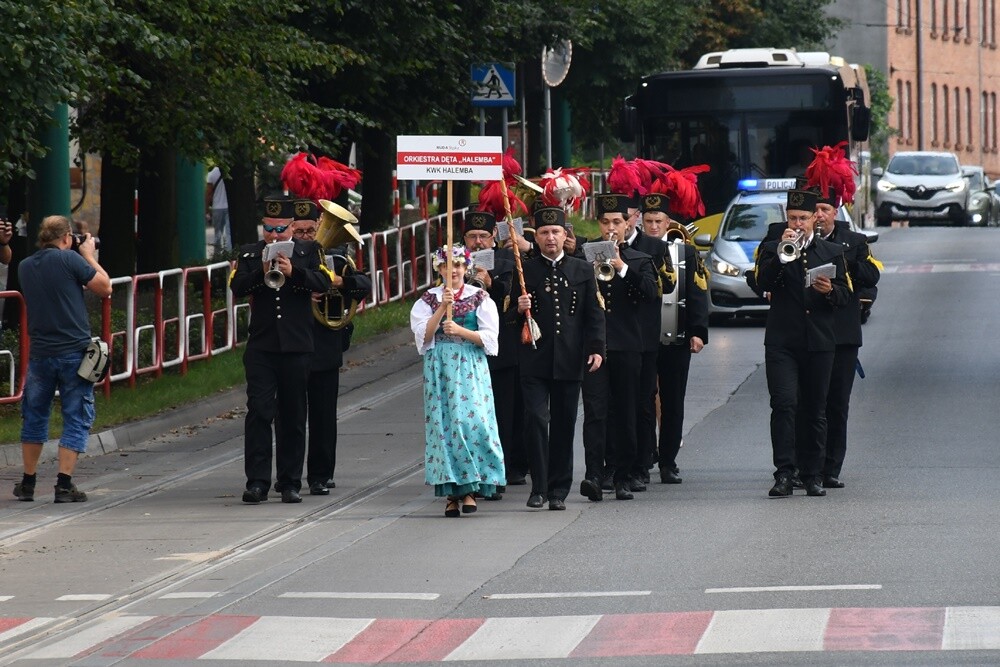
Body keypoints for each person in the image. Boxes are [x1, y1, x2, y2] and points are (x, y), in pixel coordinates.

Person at [230, 195, 332, 504]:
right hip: (262, 347)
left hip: (297, 347)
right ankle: (257, 481)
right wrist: (261, 273)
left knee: (292, 414)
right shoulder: (249, 254)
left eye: (281, 230)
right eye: (269, 230)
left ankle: (289, 482)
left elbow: (323, 283)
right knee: (259, 412)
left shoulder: (309, 251)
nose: (275, 236)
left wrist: (294, 273)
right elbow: (237, 288)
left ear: (291, 228)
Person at [752, 188, 850, 498]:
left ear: (814, 220)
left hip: (819, 342)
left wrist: (829, 291)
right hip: (782, 341)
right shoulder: (771, 248)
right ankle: (784, 473)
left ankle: (812, 474)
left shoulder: (831, 252)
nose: (798, 223)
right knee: (783, 405)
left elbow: (846, 297)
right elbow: (762, 284)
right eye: (793, 218)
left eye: (803, 219)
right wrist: (781, 253)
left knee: (815, 410)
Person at [14, 215, 112, 503]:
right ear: (66, 238)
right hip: (74, 353)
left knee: (34, 416)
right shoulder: (71, 261)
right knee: (76, 416)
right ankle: (64, 484)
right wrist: (88, 256)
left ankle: (28, 482)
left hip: (40, 354)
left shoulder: (25, 266)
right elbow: (105, 287)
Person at [514, 206, 604, 510]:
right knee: (537, 420)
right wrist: (518, 306)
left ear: (566, 235)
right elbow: (506, 318)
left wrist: (596, 348)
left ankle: (558, 490)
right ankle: (538, 487)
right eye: (543, 232)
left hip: (569, 357)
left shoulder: (581, 269)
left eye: (555, 232)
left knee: (565, 424)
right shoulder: (524, 270)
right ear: (536, 237)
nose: (550, 237)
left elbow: (594, 314)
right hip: (534, 358)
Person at [409, 244, 506, 517]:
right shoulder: (427, 300)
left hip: (470, 365)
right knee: (444, 426)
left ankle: (472, 487)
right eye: (446, 267)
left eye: (457, 267)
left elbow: (490, 340)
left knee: (472, 423)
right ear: (439, 269)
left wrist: (461, 330)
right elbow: (423, 338)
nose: (452, 272)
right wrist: (442, 309)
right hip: (439, 366)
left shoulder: (481, 298)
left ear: (466, 268)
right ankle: (451, 492)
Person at [578, 194, 659, 502]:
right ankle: (594, 475)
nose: (611, 227)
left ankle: (623, 475)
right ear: (599, 224)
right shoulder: (586, 260)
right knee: (596, 412)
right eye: (605, 222)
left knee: (627, 412)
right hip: (594, 347)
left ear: (627, 224)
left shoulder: (639, 259)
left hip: (628, 347)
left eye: (617, 222)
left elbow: (651, 294)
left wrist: (622, 266)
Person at [291, 201, 371, 496]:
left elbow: (363, 285)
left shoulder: (335, 259)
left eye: (312, 229)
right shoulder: (282, 261)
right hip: (290, 347)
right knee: (292, 415)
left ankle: (320, 475)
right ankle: (290, 476)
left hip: (324, 346)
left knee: (323, 416)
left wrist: (336, 281)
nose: (307, 236)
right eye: (299, 231)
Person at [812, 187, 881, 488]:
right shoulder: (795, 239)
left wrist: (844, 261)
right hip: (810, 334)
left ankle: (831, 468)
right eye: (814, 210)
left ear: (835, 213)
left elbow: (872, 276)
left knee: (837, 403)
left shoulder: (854, 241)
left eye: (824, 210)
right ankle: (807, 465)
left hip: (842, 335)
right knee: (810, 403)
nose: (819, 216)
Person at [640, 195, 710, 485]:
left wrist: (698, 331)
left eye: (659, 221)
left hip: (677, 337)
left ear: (668, 222)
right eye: (649, 221)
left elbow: (697, 294)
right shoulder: (632, 250)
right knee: (642, 400)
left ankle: (668, 460)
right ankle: (643, 459)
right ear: (640, 222)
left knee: (673, 401)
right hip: (641, 340)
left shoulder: (686, 252)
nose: (654, 226)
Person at [462, 210, 529, 488]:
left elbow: (515, 300)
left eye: (483, 237)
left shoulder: (508, 260)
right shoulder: (454, 261)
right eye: (472, 237)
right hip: (467, 346)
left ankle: (512, 464)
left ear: (493, 238)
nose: (478, 242)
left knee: (508, 408)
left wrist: (493, 284)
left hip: (504, 345)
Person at [625, 193, 676, 486]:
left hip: (645, 333)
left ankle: (645, 461)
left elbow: (666, 285)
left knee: (645, 401)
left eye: (629, 216)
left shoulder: (655, 247)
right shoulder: (601, 247)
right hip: (615, 336)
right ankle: (616, 465)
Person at [206, 166, 231, 256]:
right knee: (228, 233)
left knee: (218, 233)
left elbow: (208, 193)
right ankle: (229, 256)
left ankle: (217, 256)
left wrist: (206, 209)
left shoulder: (211, 173)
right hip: (228, 206)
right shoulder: (229, 172)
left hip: (217, 207)